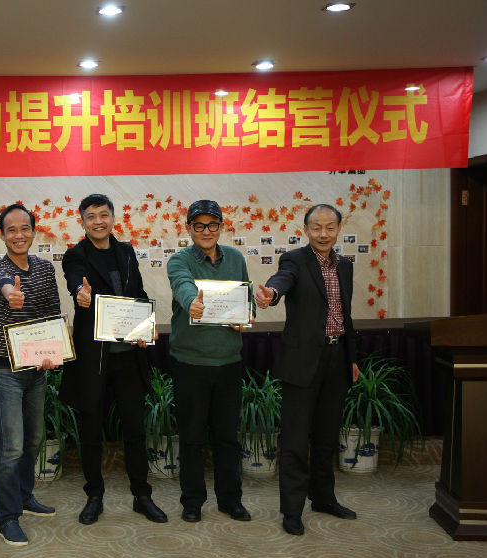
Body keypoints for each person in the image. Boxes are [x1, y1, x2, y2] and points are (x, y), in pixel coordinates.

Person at [60, 193, 167, 525]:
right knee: (91, 430)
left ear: (112, 217)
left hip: (129, 357)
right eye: (91, 217)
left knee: (135, 429)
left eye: (103, 215)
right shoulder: (75, 255)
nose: (98, 222)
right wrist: (80, 293)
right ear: (82, 222)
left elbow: (139, 295)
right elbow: (75, 281)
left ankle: (142, 495)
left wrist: (147, 325)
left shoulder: (126, 252)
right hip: (94, 359)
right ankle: (94, 496)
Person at [255, 203, 360, 536]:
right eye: (317, 227)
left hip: (337, 359)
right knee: (296, 440)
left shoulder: (345, 266)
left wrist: (351, 358)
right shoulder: (294, 260)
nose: (323, 234)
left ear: (338, 229)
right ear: (306, 230)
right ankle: (292, 510)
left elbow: (345, 314)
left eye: (330, 227)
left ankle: (323, 498)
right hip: (302, 362)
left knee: (327, 437)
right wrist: (271, 294)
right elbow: (282, 281)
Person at [167, 199, 254, 524]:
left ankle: (231, 501)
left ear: (220, 227)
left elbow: (246, 299)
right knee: (191, 437)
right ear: (189, 228)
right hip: (190, 363)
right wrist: (192, 302)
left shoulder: (236, 258)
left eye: (212, 225)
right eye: (199, 225)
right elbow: (182, 285)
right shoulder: (179, 260)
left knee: (227, 436)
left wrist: (247, 316)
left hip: (228, 362)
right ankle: (192, 501)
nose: (206, 231)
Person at [0, 204, 61, 546]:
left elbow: (53, 312)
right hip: (5, 370)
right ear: (2, 235)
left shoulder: (45, 269)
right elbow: (4, 286)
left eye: (25, 228)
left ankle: (25, 496)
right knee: (12, 446)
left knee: (33, 440)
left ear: (33, 231)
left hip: (37, 369)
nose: (19, 235)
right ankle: (7, 517)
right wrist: (10, 294)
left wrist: (53, 353)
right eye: (11, 230)